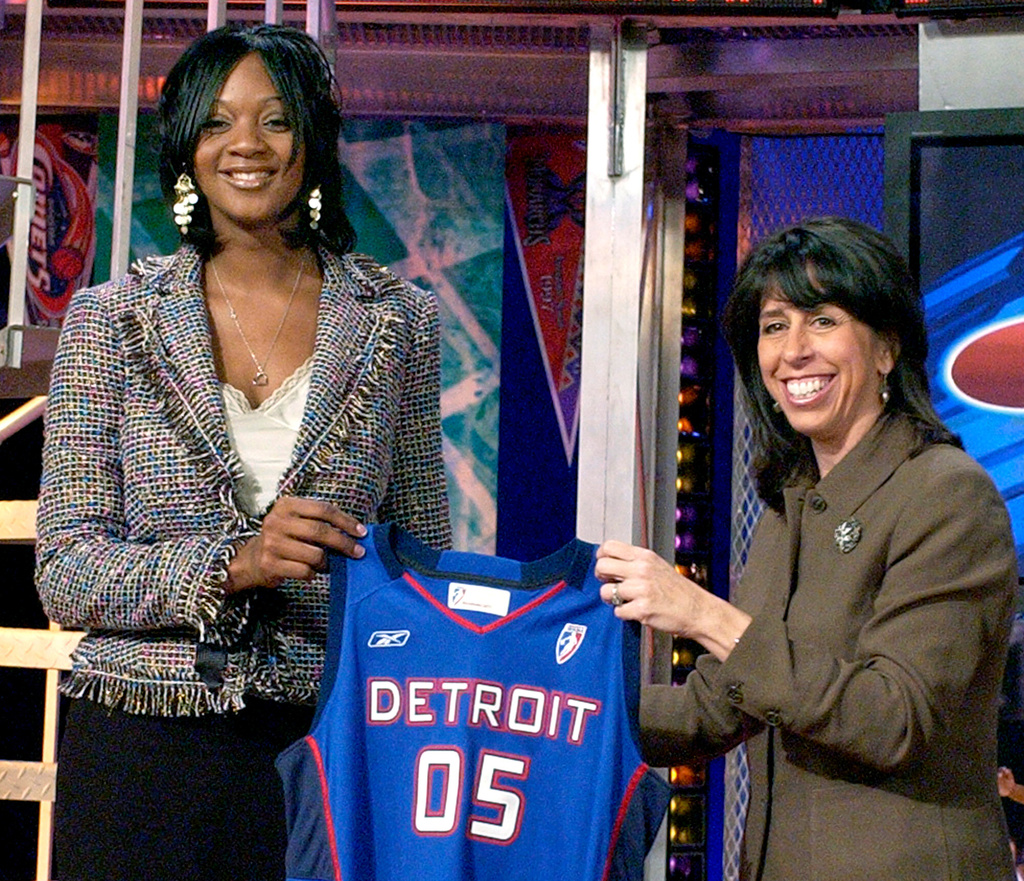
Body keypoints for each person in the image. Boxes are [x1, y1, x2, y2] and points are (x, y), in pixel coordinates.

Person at [34, 24, 451, 881]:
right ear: (187, 146)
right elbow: (66, 571)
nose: (246, 145)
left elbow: (423, 563)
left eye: (276, 120)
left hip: (328, 742)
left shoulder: (398, 322)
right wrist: (237, 563)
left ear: (313, 140)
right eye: (218, 122)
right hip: (140, 753)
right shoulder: (110, 320)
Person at [594, 217, 1017, 880]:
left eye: (822, 320)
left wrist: (703, 615)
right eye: (774, 325)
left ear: (886, 347)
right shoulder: (791, 505)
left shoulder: (947, 494)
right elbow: (713, 709)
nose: (792, 351)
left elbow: (894, 719)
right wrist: (550, 703)